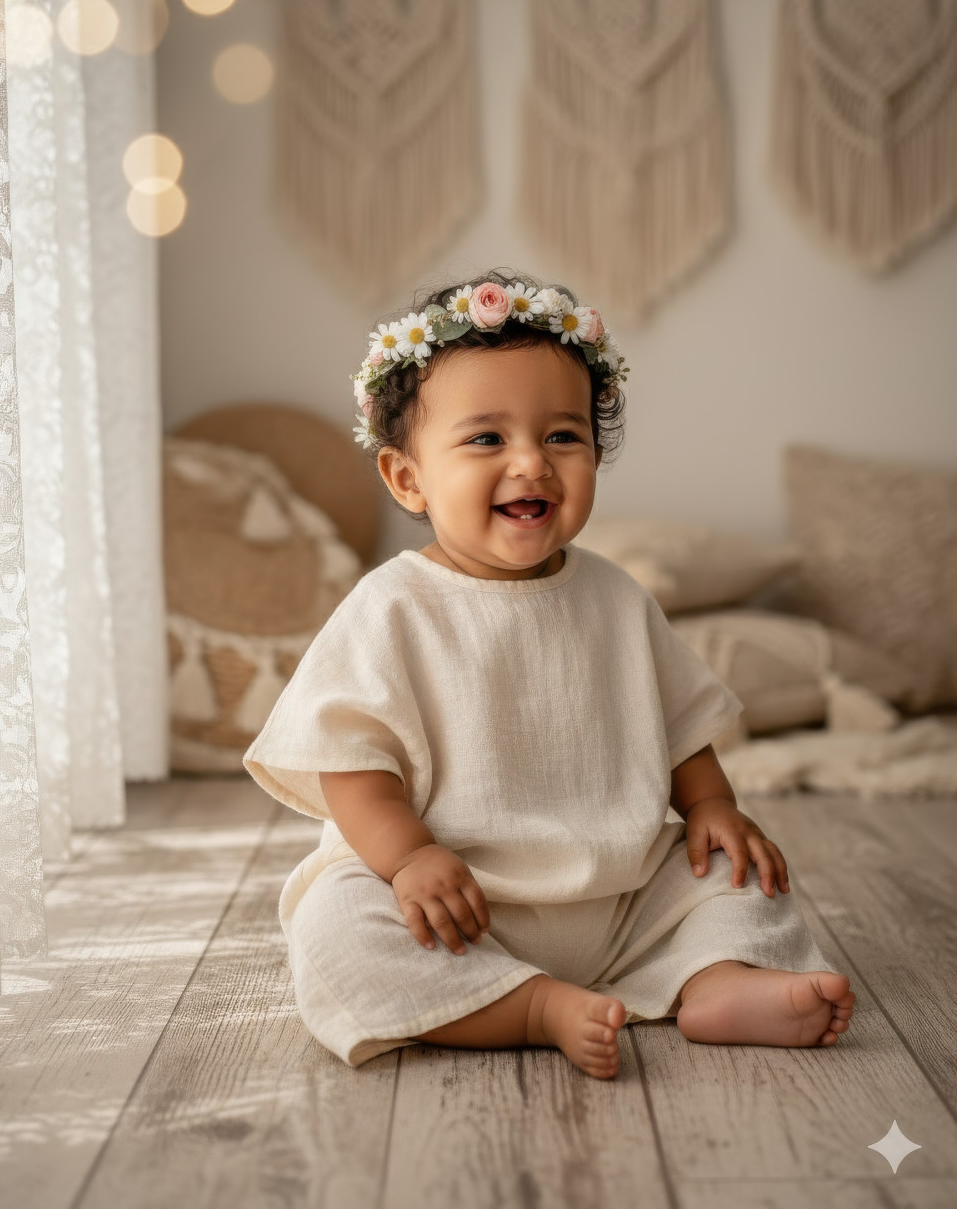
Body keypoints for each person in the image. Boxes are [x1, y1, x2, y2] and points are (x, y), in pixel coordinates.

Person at [243, 269, 855, 1077]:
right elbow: (352, 761)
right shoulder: (392, 607)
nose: (532, 463)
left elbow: (677, 729)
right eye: (487, 439)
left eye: (563, 436)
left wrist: (711, 807)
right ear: (407, 477)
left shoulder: (615, 597)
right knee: (336, 925)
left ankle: (717, 981)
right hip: (460, 902)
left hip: (623, 891)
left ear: (596, 454)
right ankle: (530, 1004)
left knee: (742, 875)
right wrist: (410, 858)